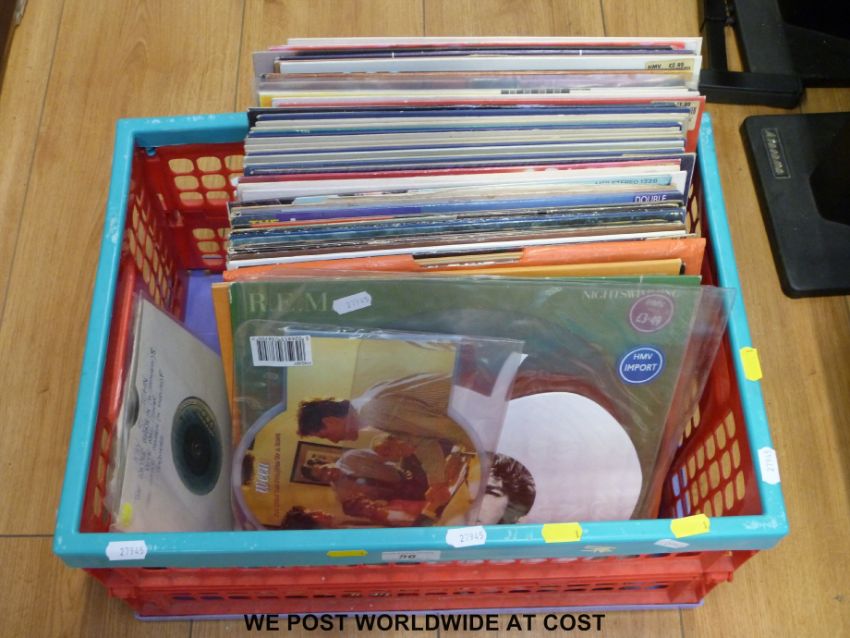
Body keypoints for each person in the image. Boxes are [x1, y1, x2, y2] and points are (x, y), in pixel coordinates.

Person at [297, 372, 473, 514]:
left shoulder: (372, 411)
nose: (334, 441)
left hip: (477, 405)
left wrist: (476, 448)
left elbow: (447, 429)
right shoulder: (369, 402)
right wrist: (437, 483)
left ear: (330, 421)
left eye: (325, 436)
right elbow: (422, 441)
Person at [300, 448, 430, 526]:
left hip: (410, 476)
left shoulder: (352, 456)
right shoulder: (343, 496)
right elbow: (373, 508)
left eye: (324, 469)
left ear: (327, 462)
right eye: (322, 477)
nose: (328, 474)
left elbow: (388, 456)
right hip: (403, 499)